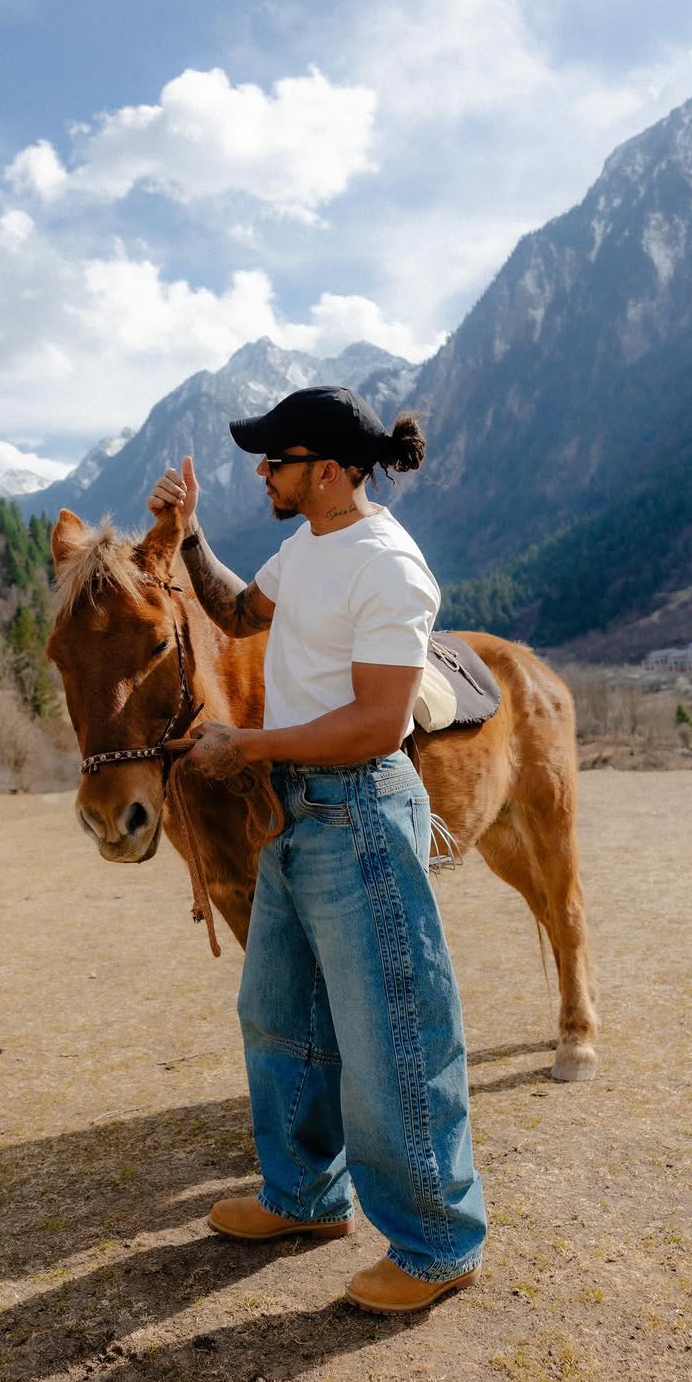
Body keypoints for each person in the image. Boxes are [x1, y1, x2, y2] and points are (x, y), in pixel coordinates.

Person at [146, 385, 486, 1314]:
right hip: (294, 819)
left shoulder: (388, 566)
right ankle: (304, 1198)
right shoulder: (308, 547)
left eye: (276, 462)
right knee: (280, 1016)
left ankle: (437, 1245)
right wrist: (189, 537)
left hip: (359, 817)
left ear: (326, 472)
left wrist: (247, 747)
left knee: (392, 1041)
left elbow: (380, 724)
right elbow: (238, 613)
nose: (263, 474)